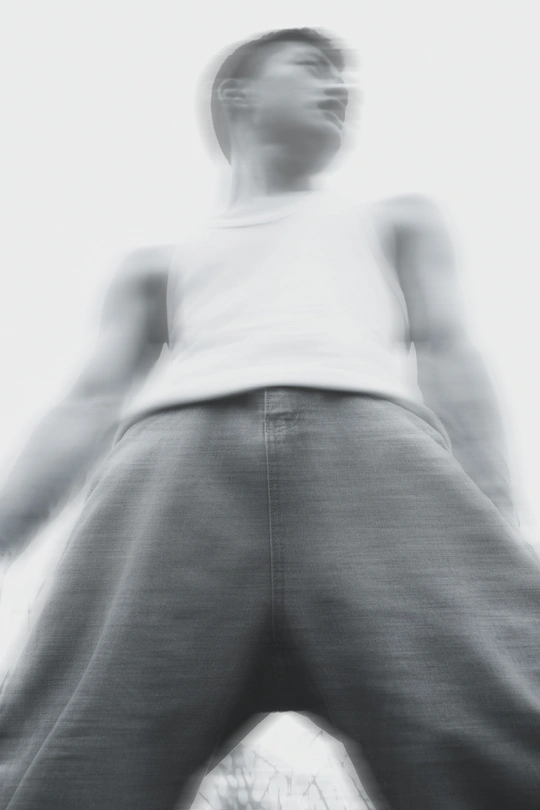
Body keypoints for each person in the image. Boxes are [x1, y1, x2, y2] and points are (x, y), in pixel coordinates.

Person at [0, 25, 538, 810]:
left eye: (347, 77)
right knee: (72, 760)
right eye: (315, 67)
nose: (342, 87)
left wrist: (494, 521)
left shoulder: (398, 221)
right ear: (239, 93)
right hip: (172, 481)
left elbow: (451, 354)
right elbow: (86, 401)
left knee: (504, 734)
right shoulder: (155, 265)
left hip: (379, 473)